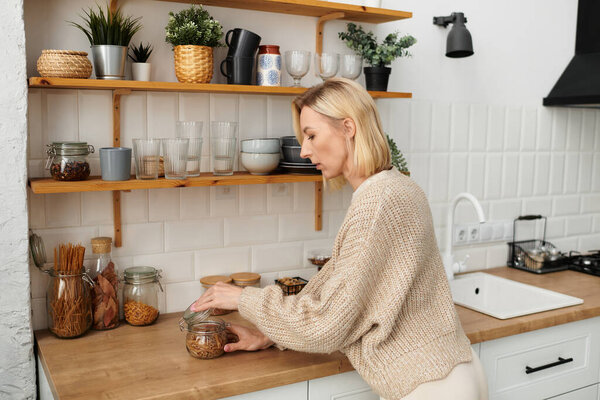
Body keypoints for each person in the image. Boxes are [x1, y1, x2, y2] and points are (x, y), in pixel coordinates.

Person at [192, 77, 488, 400]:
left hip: (431, 388)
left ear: (348, 127)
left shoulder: (376, 203)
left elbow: (327, 324)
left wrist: (242, 299)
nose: (304, 151)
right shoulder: (399, 187)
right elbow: (338, 290)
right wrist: (270, 335)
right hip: (458, 372)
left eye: (311, 135)